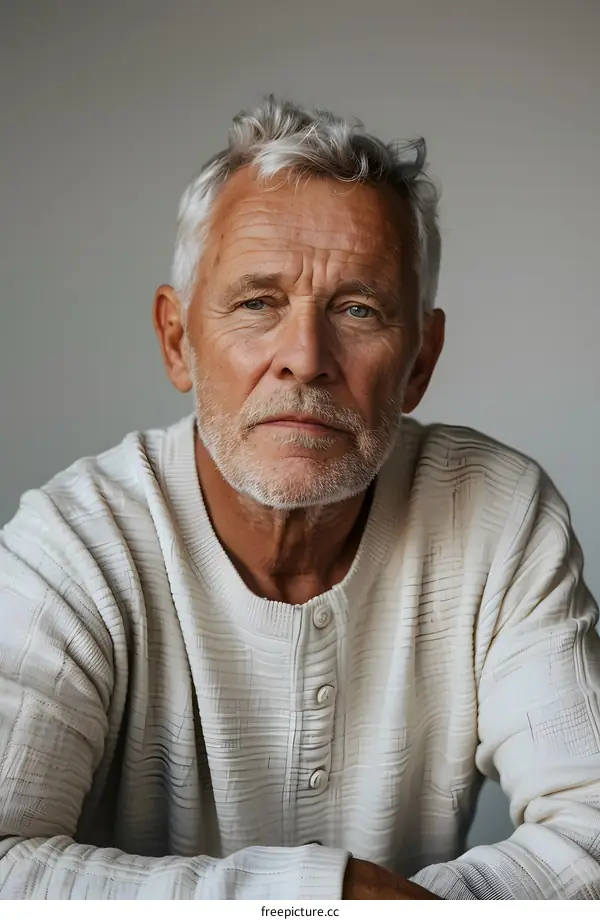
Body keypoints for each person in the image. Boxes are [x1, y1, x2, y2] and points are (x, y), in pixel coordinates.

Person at [1, 95, 599, 902]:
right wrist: (334, 895)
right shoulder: (72, 545)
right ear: (178, 340)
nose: (306, 358)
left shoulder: (497, 513)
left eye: (358, 309)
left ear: (420, 361)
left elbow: (590, 828)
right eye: (259, 303)